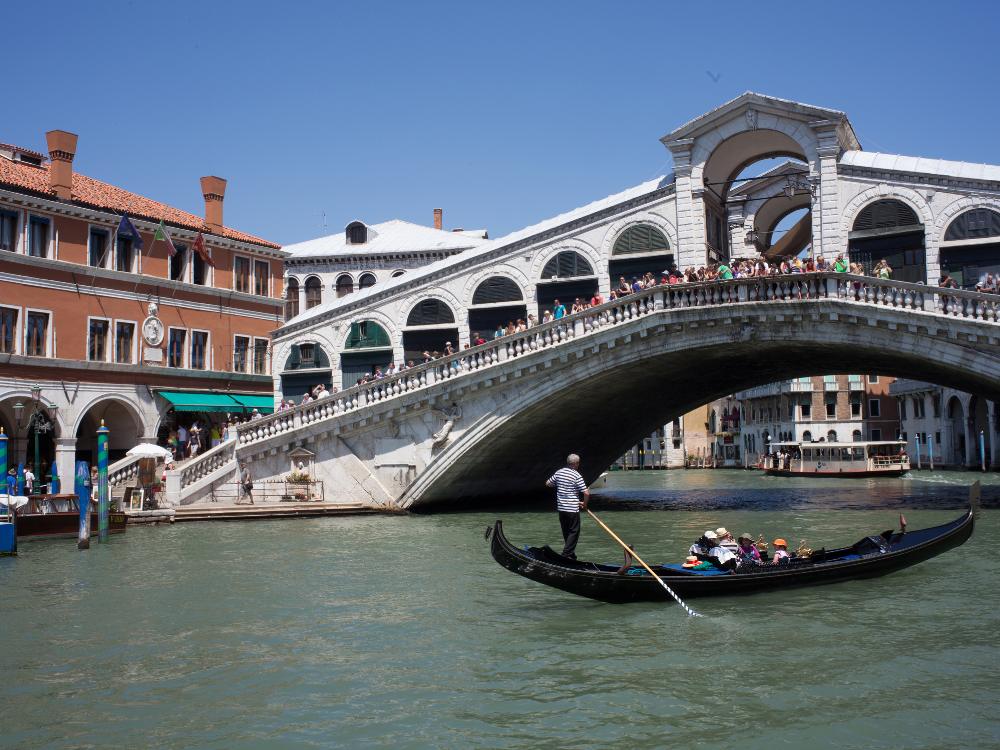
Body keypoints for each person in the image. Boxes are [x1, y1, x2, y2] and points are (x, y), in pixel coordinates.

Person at [545, 453, 590, 560]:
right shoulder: (576, 475)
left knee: (566, 532)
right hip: (572, 509)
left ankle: (571, 555)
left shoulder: (559, 472)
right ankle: (565, 555)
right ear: (576, 463)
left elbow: (548, 483)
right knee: (574, 531)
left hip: (561, 508)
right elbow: (586, 493)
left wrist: (561, 485)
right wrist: (584, 503)